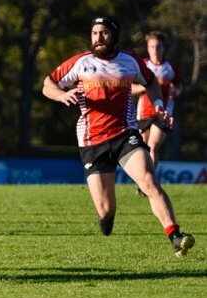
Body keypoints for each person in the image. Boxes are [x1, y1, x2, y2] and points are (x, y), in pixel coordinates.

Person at [42, 16, 195, 257]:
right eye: (94, 33)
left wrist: (158, 104)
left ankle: (175, 235)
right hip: (93, 141)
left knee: (149, 181)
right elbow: (48, 83)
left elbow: (151, 81)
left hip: (125, 135)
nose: (98, 38)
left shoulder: (130, 61)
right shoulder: (81, 62)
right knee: (105, 209)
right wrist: (60, 95)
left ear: (113, 36)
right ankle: (106, 217)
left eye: (103, 33)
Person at [132, 31, 182, 184]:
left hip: (163, 113)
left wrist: (176, 91)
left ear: (163, 48)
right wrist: (147, 87)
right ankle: (144, 180)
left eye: (158, 47)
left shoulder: (171, 67)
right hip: (143, 113)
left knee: (153, 145)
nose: (155, 50)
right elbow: (130, 88)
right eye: (152, 46)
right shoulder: (142, 65)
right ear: (148, 48)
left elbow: (179, 87)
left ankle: (150, 183)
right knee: (144, 149)